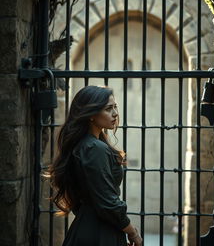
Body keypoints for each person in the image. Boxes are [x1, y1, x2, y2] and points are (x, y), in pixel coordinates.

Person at [48, 85, 143, 246]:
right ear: (91, 114)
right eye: (108, 109)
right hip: (98, 232)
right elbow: (108, 202)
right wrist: (132, 233)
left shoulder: (88, 144)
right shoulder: (93, 148)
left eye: (115, 107)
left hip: (95, 228)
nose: (115, 113)